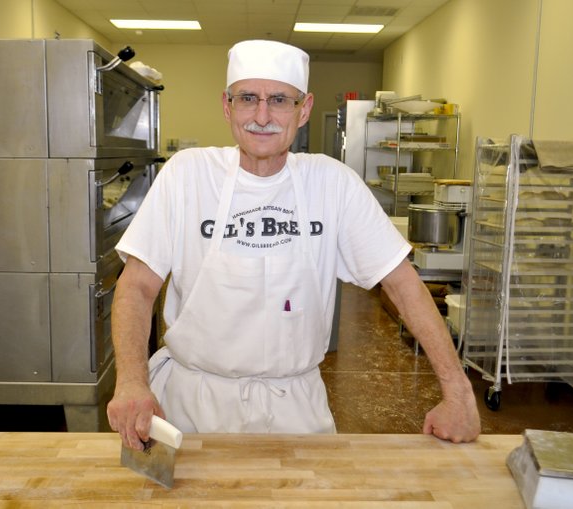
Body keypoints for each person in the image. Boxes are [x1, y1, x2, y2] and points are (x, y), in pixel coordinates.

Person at [107, 39, 480, 450]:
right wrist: (131, 382)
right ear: (227, 106)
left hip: (296, 410)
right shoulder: (187, 176)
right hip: (191, 406)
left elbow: (403, 286)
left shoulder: (331, 184)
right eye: (248, 98)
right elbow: (137, 286)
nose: (262, 116)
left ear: (303, 110)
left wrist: (457, 390)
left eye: (280, 100)